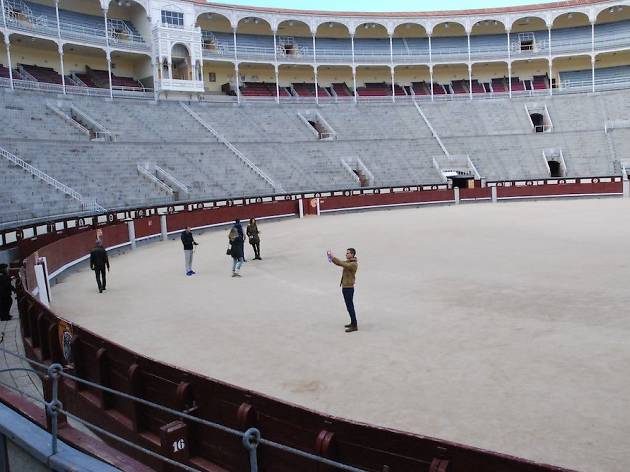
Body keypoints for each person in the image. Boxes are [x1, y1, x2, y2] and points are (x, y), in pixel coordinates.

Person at [330, 248, 359, 333]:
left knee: (350, 306)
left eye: (348, 253)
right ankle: (353, 322)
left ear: (352, 254)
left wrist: (332, 257)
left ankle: (354, 325)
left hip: (349, 288)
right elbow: (339, 263)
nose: (346, 254)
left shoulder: (353, 264)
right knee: (349, 306)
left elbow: (342, 263)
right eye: (346, 253)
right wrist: (332, 259)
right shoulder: (348, 262)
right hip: (345, 287)